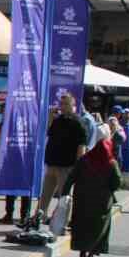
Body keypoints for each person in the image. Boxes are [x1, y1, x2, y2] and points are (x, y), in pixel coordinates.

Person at [63, 126, 124, 257]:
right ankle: (91, 253)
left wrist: (65, 193)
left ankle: (82, 251)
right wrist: (110, 190)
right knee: (98, 227)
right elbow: (117, 182)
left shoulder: (85, 159)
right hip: (102, 201)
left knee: (82, 224)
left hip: (82, 198)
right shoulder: (111, 163)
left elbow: (71, 176)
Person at [36, 93, 89, 223]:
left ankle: (62, 223)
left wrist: (78, 167)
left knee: (64, 196)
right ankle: (38, 218)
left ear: (73, 106)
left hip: (66, 165)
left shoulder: (78, 123)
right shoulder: (58, 120)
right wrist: (50, 116)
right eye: (62, 104)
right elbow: (49, 131)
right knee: (45, 194)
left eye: (66, 104)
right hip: (52, 163)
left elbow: (81, 147)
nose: (63, 107)